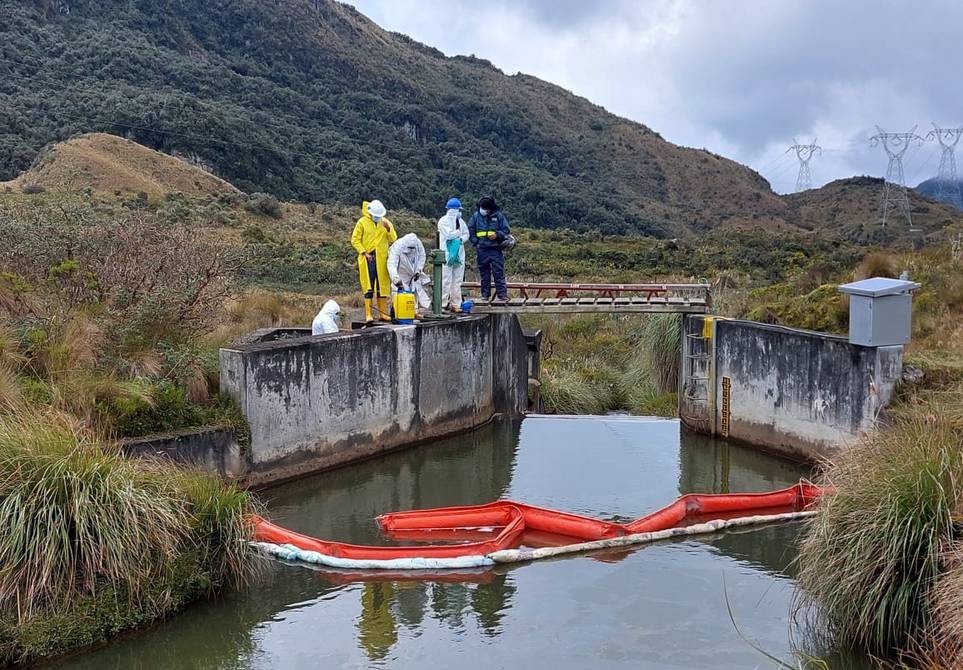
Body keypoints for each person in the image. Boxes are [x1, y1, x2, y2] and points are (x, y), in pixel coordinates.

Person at [351, 200, 397, 322]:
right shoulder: (362, 222)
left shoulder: (385, 222)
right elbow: (355, 240)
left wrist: (388, 229)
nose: (378, 218)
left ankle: (383, 313)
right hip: (368, 258)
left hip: (382, 259)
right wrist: (364, 252)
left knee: (382, 287)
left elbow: (393, 239)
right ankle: (368, 314)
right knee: (369, 286)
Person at [468, 195, 510, 302]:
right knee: (484, 274)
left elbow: (506, 230)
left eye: (486, 209)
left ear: (490, 208)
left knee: (498, 273)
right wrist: (475, 242)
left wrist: (497, 235)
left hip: (495, 249)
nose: (484, 210)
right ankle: (485, 295)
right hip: (482, 249)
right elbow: (471, 229)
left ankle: (502, 295)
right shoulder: (475, 217)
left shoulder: (499, 217)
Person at [437, 197, 470, 311]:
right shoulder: (443, 221)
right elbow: (449, 235)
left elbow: (466, 234)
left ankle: (456, 303)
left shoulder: (461, 222)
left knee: (457, 280)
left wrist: (461, 239)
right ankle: (442, 303)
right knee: (446, 279)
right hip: (447, 253)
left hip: (459, 254)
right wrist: (458, 233)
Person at [387, 233, 431, 313]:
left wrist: (418, 270)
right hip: (401, 271)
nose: (411, 250)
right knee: (398, 291)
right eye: (409, 248)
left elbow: (422, 256)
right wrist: (395, 277)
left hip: (412, 271)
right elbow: (391, 263)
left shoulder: (418, 244)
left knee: (414, 290)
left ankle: (414, 311)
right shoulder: (398, 246)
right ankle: (398, 311)